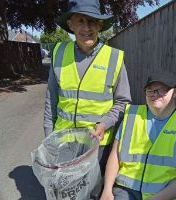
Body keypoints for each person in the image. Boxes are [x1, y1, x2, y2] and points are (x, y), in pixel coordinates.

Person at [43, 0, 131, 176]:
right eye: (80, 21)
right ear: (70, 25)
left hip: (97, 145)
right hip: (64, 143)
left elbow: (123, 102)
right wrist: (48, 139)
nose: (87, 27)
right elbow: (51, 100)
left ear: (100, 25)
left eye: (92, 21)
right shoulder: (59, 53)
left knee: (92, 191)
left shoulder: (114, 58)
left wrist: (104, 124)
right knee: (66, 190)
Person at [100, 73, 176, 200]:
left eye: (162, 90)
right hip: (125, 191)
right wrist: (107, 190)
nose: (155, 94)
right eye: (150, 90)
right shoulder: (131, 116)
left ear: (175, 92)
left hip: (166, 195)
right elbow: (115, 156)